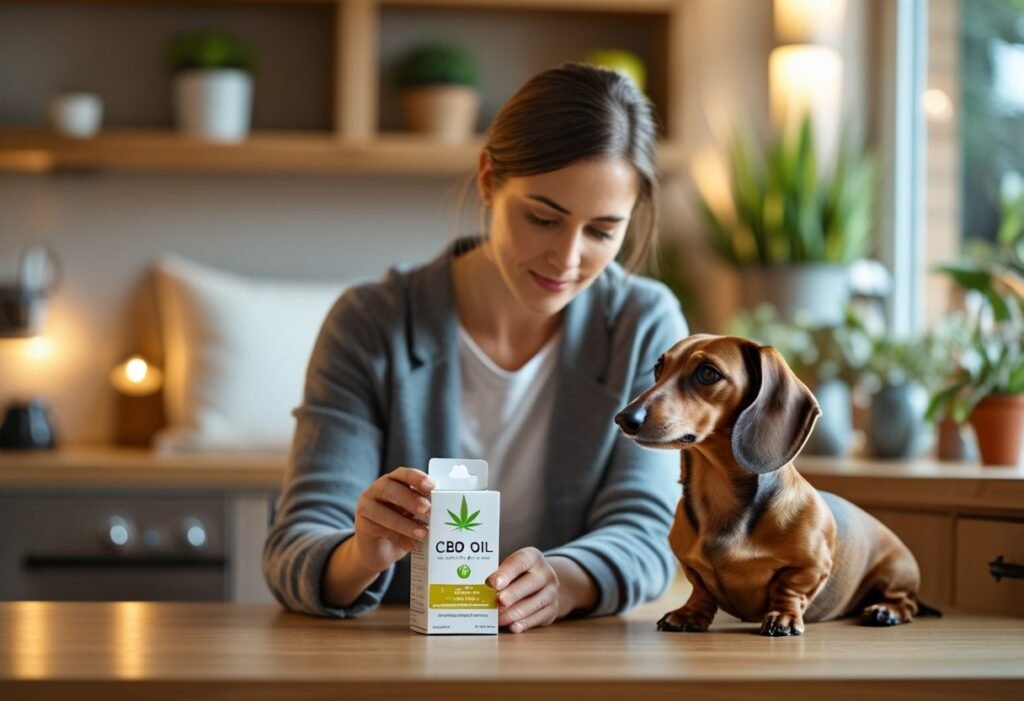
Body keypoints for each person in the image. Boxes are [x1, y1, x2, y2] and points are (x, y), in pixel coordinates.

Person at [263, 62, 688, 633]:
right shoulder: (370, 322)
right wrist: (363, 550)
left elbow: (648, 534)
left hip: (564, 660)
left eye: (602, 231)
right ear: (489, 180)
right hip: (398, 654)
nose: (567, 259)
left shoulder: (642, 324)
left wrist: (560, 582)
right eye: (542, 218)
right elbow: (294, 548)